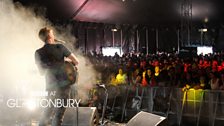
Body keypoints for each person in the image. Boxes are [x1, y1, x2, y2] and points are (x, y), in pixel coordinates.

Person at [35, 27, 79, 126]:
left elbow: (41, 72)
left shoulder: (38, 52)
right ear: (50, 36)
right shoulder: (60, 47)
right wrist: (66, 62)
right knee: (59, 114)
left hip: (50, 86)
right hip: (63, 86)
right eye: (52, 33)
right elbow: (76, 61)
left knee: (47, 112)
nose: (54, 35)